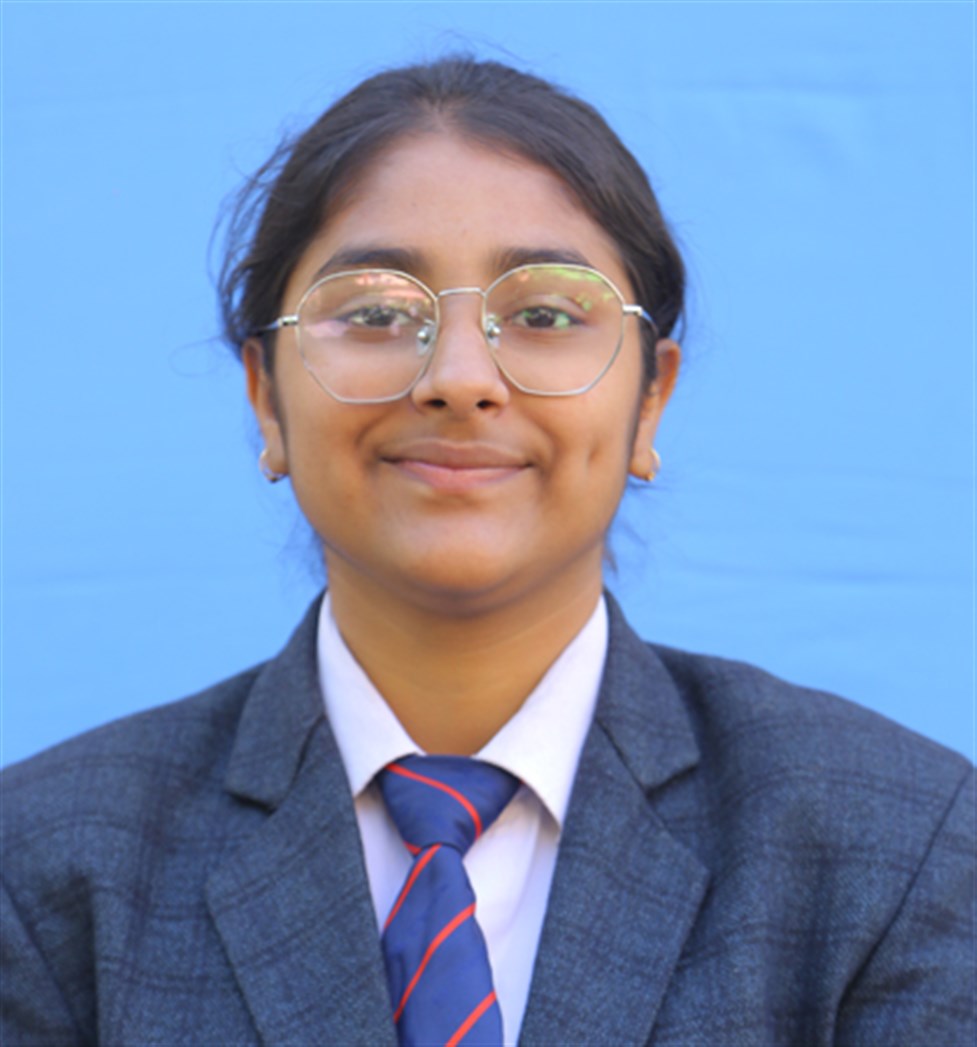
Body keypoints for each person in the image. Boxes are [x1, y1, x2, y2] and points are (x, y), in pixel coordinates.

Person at [1, 57, 972, 1046]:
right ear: (266, 397)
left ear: (649, 400)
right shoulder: (47, 873)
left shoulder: (892, 849)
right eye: (376, 313)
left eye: (544, 315)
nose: (459, 378)